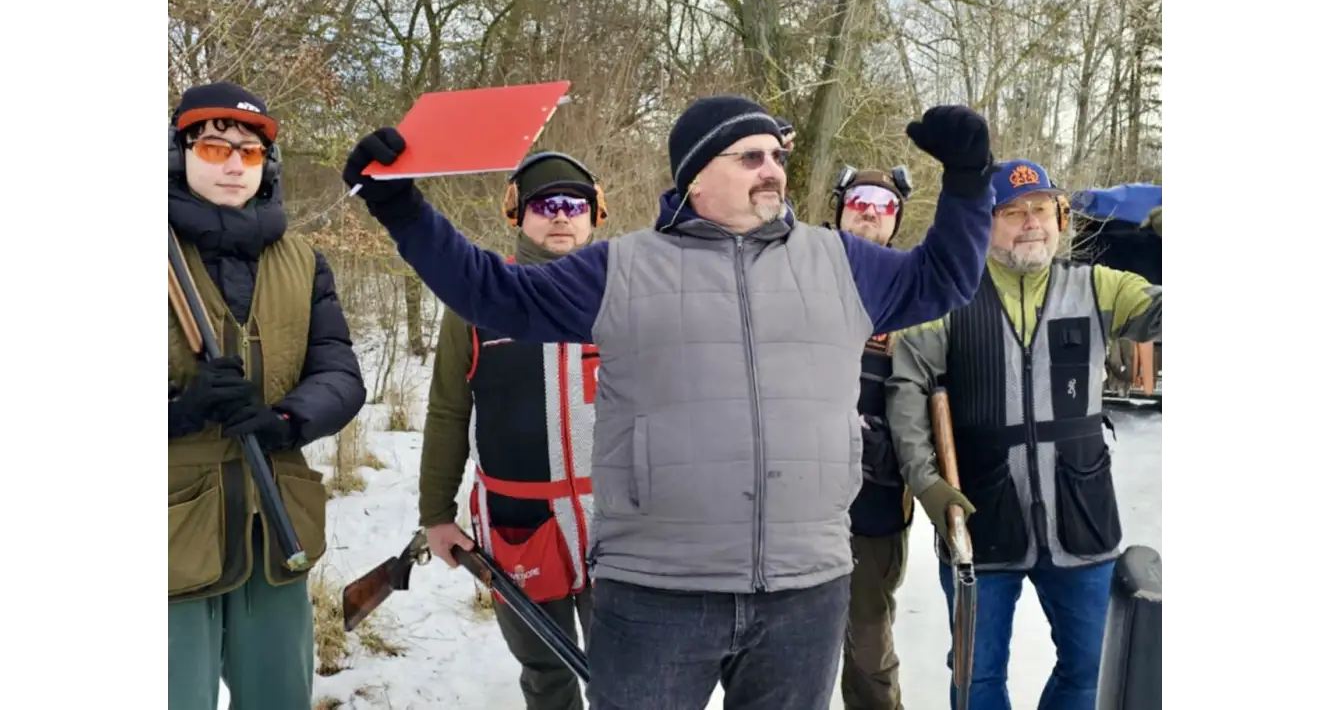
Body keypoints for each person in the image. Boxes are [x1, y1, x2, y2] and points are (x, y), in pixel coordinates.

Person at [341, 96, 998, 710]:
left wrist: (969, 182)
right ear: (697, 177)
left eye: (776, 155)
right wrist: (402, 209)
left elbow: (943, 277)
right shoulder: (623, 270)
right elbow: (494, 295)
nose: (772, 169)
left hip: (805, 590)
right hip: (657, 593)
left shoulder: (842, 263)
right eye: (749, 156)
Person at [884, 159, 1168, 710]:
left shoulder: (1096, 286)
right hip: (979, 516)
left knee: (1091, 666)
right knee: (976, 677)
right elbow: (907, 392)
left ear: (1059, 219)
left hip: (1082, 519)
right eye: (1012, 213)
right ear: (985, 223)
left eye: (1041, 208)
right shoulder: (949, 297)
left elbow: (1162, 312)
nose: (1031, 222)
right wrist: (927, 484)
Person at [167, 81, 367, 710]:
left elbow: (339, 373)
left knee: (279, 696)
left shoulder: (302, 260)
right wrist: (181, 412)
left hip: (274, 527)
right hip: (168, 532)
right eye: (213, 147)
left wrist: (285, 419)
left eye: (249, 152)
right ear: (179, 153)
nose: (233, 164)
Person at [418, 152, 606, 710]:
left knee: (629, 674)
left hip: (616, 523)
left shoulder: (625, 294)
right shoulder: (479, 299)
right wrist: (435, 514)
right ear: (517, 214)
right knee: (546, 673)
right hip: (517, 522)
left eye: (574, 205)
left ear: (595, 214)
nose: (561, 216)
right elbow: (447, 410)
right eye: (545, 205)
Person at [828, 168, 915, 710]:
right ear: (839, 207)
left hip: (874, 504)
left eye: (884, 204)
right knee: (786, 653)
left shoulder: (912, 291)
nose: (869, 210)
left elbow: (931, 400)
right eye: (859, 199)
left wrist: (889, 448)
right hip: (795, 505)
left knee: (868, 650)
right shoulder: (796, 272)